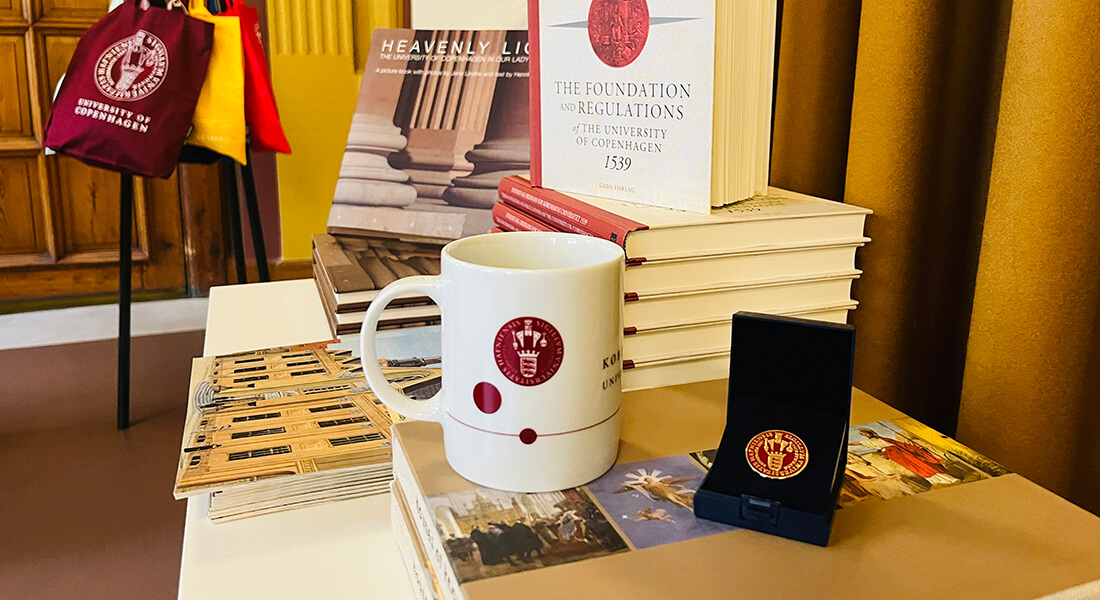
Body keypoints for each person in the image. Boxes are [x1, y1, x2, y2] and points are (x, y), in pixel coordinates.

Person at [854, 429, 959, 485]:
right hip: (895, 456)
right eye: (863, 434)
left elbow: (897, 443)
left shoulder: (881, 438)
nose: (866, 435)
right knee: (914, 467)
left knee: (921, 464)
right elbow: (856, 443)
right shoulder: (868, 442)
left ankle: (949, 479)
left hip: (901, 452)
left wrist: (913, 447)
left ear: (869, 432)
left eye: (866, 433)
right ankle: (935, 480)